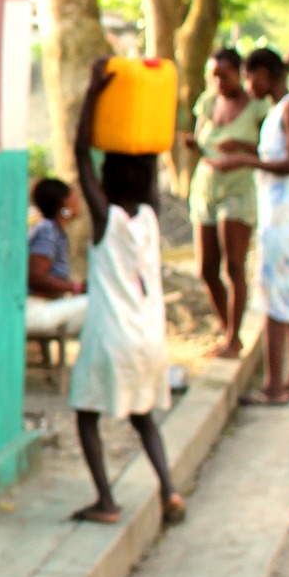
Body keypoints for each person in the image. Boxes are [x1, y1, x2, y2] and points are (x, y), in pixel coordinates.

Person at [68, 60, 185, 526]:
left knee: (86, 414)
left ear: (109, 181)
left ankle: (105, 500)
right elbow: (151, 157)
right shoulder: (151, 219)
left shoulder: (107, 222)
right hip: (151, 338)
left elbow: (80, 154)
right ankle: (170, 491)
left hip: (110, 338)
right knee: (143, 419)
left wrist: (95, 92)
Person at [209, 46, 289, 404]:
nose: (248, 84)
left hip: (287, 222)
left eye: (249, 76)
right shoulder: (284, 109)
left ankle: (277, 384)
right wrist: (247, 150)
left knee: (277, 303)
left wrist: (246, 160)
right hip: (288, 219)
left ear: (263, 74)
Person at [183, 47, 272, 358]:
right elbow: (202, 141)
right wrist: (194, 145)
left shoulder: (257, 107)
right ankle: (227, 331)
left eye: (225, 75)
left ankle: (233, 338)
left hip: (239, 189)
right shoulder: (207, 102)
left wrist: (241, 148)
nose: (219, 82)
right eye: (214, 76)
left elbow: (270, 152)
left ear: (239, 73)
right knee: (206, 269)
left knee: (234, 265)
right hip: (206, 188)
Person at [26, 177, 88, 336]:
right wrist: (75, 287)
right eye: (74, 197)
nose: (78, 202)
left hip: (45, 306)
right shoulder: (48, 230)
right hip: (35, 309)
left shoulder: (54, 230)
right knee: (100, 302)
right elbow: (36, 277)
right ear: (65, 203)